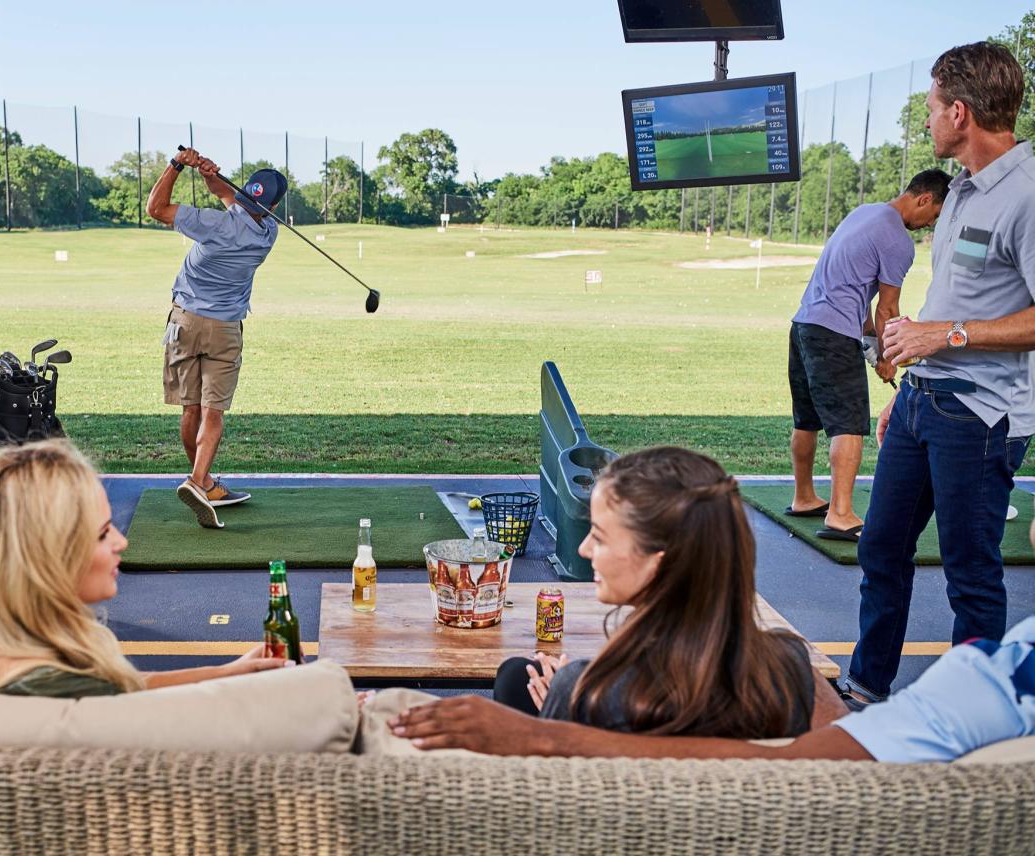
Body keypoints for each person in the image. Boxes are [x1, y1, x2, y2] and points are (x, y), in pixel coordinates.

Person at [847, 42, 1035, 709]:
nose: (926, 121)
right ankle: (866, 689)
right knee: (881, 550)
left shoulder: (1029, 192)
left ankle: (971, 711)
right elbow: (960, 299)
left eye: (931, 108)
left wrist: (944, 336)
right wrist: (914, 372)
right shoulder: (955, 193)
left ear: (960, 111)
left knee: (970, 574)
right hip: (923, 404)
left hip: (982, 416)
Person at [491, 447, 847, 740]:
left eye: (599, 536)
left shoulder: (590, 693)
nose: (584, 549)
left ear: (657, 564)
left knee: (516, 678)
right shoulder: (790, 669)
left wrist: (556, 720)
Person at [0, 440, 290, 697]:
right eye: (102, 534)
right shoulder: (75, 694)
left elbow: (125, 690)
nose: (121, 541)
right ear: (44, 558)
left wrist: (228, 673)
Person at [388, 613, 1035, 762]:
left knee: (518, 680)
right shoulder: (995, 689)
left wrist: (546, 732)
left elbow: (774, 765)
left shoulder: (978, 700)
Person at [786, 169, 950, 542]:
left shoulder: (864, 213)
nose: (931, 224)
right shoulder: (898, 240)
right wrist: (890, 356)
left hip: (804, 325)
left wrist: (873, 346)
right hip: (832, 335)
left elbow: (857, 296)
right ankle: (840, 514)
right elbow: (887, 310)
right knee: (849, 424)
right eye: (935, 215)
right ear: (924, 199)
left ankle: (804, 497)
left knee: (807, 418)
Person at [146, 148, 288, 529]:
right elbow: (234, 201)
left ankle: (197, 481)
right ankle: (202, 482)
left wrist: (178, 165)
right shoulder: (268, 232)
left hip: (186, 322)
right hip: (225, 329)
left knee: (190, 408)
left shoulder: (214, 225)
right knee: (213, 411)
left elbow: (156, 208)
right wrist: (211, 176)